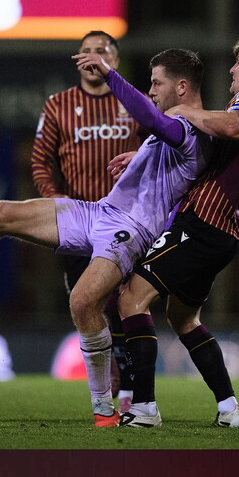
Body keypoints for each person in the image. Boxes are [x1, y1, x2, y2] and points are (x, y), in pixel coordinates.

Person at [0, 48, 212, 427]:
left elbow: (153, 120)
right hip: (101, 212)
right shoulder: (175, 127)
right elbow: (161, 144)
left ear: (182, 86)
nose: (152, 90)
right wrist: (139, 157)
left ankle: (103, 410)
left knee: (82, 301)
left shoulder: (192, 127)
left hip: (132, 230)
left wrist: (112, 76)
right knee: (1, 213)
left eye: (157, 83)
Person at [110, 34, 239, 428]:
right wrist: (144, 156)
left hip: (203, 223)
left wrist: (186, 111)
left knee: (130, 300)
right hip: (225, 232)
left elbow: (230, 127)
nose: (232, 68)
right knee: (183, 318)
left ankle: (143, 409)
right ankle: (230, 408)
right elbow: (211, 150)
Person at [31, 31, 144, 411]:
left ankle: (130, 389)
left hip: (127, 222)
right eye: (87, 52)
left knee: (125, 304)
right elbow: (39, 163)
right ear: (77, 60)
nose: (93, 57)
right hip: (79, 224)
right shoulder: (58, 105)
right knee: (89, 305)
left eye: (102, 51)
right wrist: (54, 199)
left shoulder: (135, 103)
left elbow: (160, 148)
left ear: (115, 59)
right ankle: (111, 379)